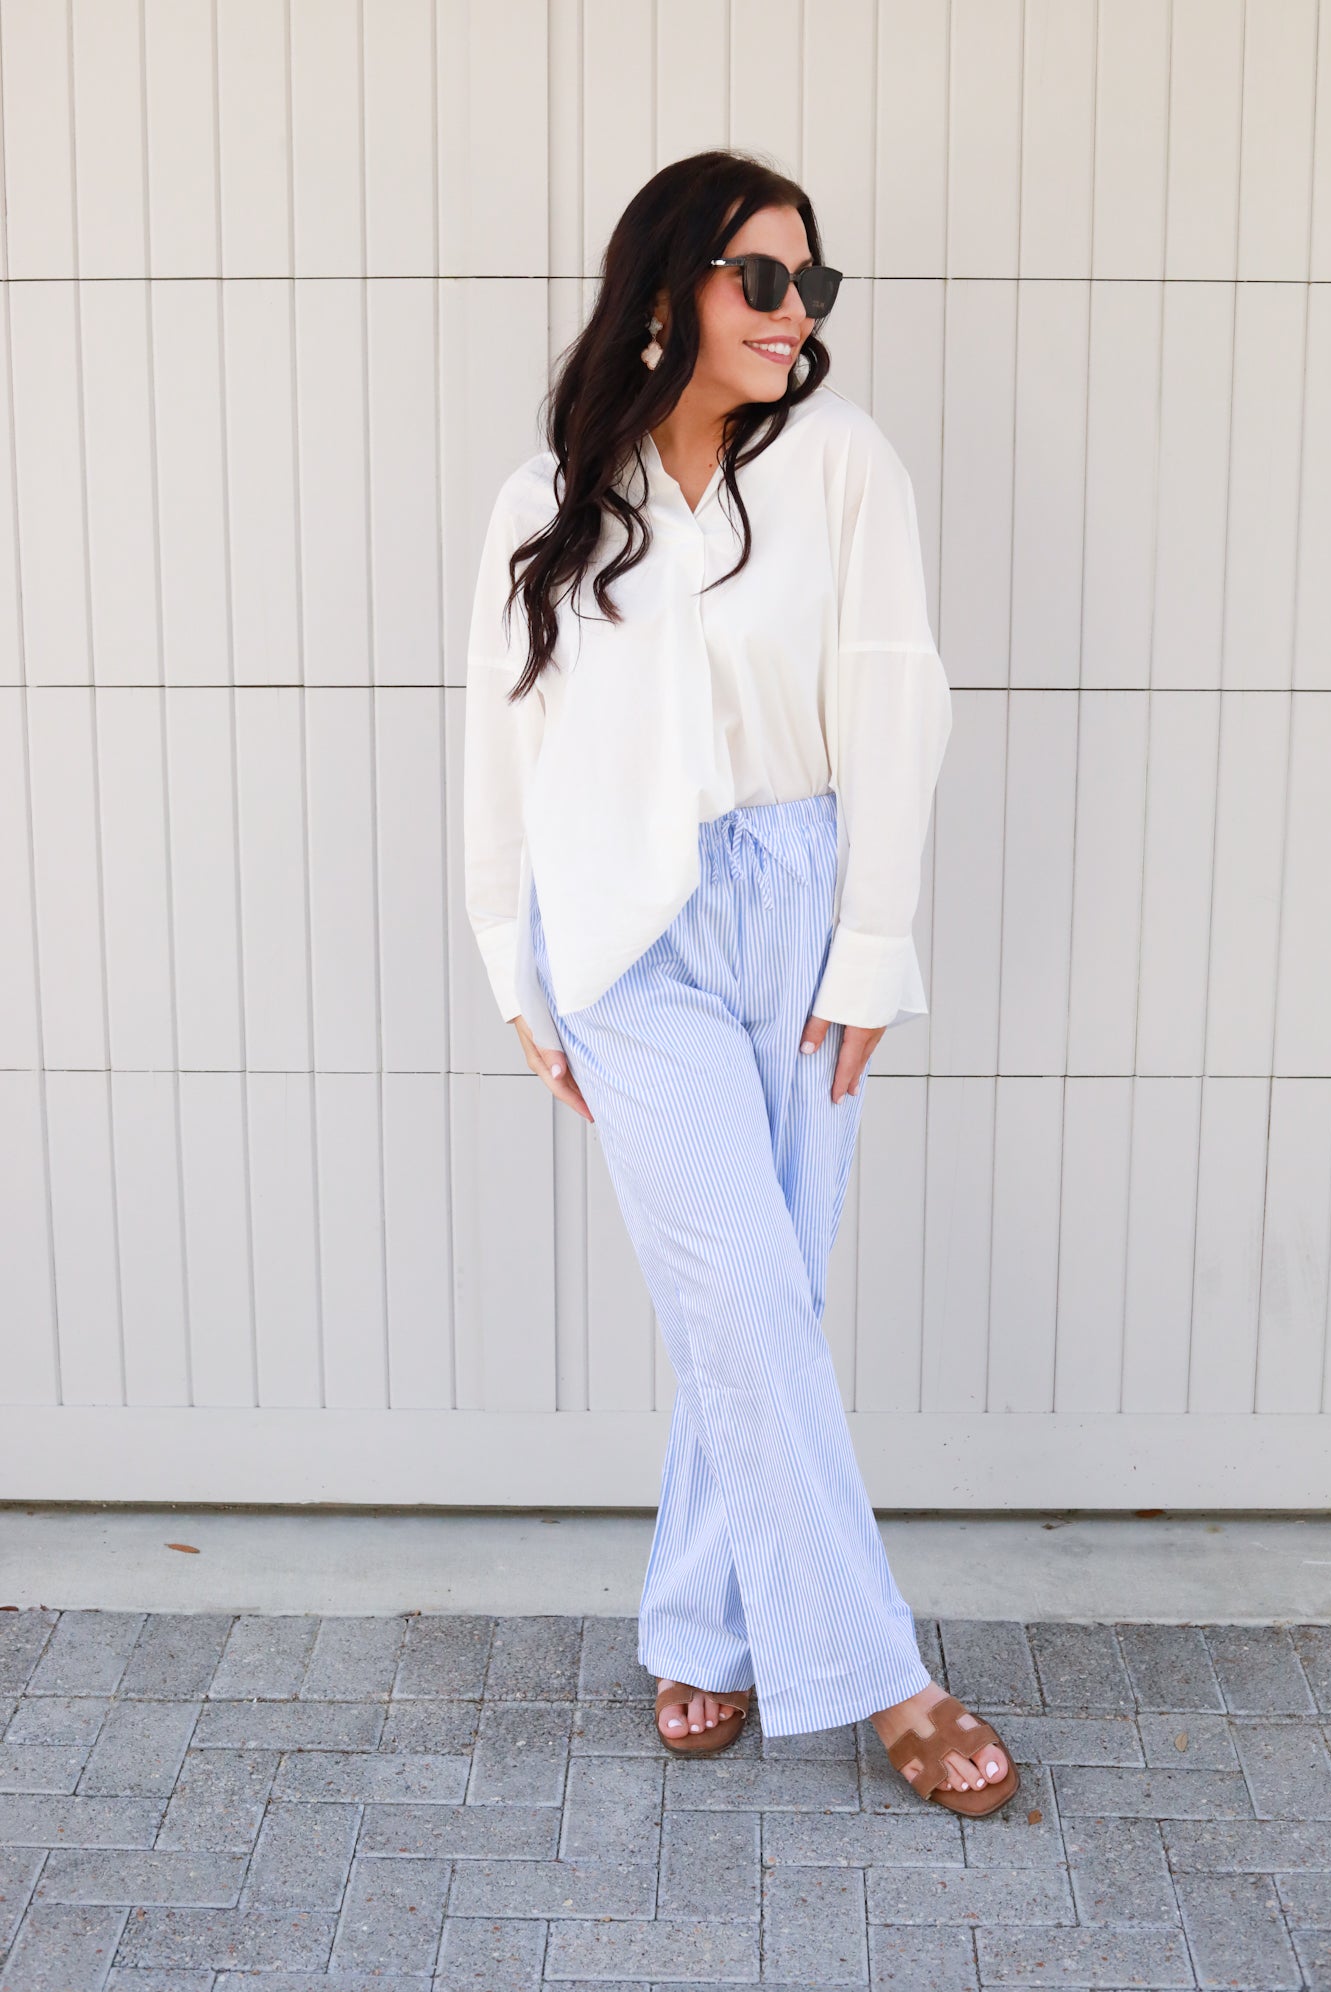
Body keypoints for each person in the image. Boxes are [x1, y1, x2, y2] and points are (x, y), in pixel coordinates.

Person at [463, 149, 1017, 1817]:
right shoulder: (548, 498)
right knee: (745, 1289)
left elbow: (895, 711)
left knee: (759, 1291)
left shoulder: (841, 462)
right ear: (668, 291)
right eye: (758, 281)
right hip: (623, 937)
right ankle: (887, 1678)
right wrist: (511, 960)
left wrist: (871, 949)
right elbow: (498, 748)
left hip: (797, 911)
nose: (793, 314)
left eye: (809, 286)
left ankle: (700, 1621)